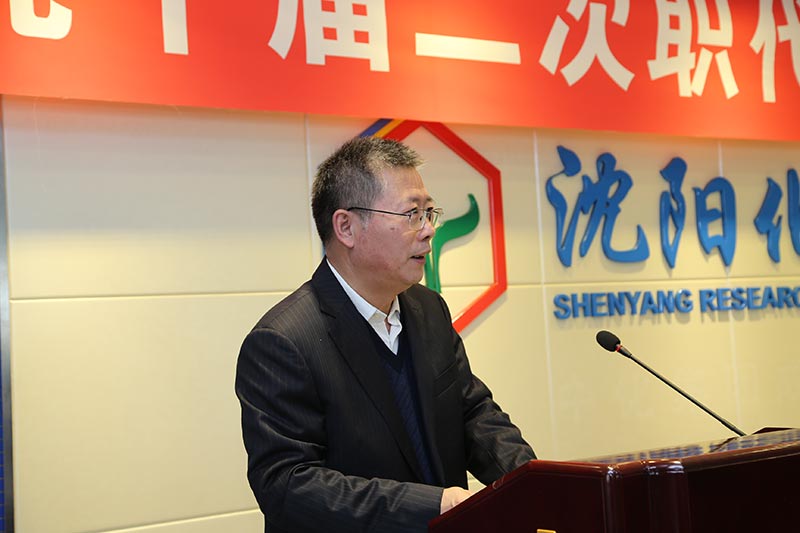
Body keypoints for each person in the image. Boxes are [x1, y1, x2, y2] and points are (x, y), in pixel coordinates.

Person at [235, 136, 535, 533]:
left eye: (429, 212)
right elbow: (288, 485)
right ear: (346, 227)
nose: (428, 230)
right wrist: (432, 505)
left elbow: (473, 413)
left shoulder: (428, 309)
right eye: (411, 214)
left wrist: (535, 485)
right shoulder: (283, 341)